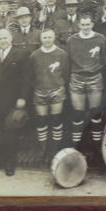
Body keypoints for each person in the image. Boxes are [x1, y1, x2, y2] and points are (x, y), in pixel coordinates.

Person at [0, 29, 31, 177]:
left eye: (5, 38)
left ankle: (9, 164)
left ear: (11, 38)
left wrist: (22, 98)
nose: (2, 41)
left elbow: (27, 79)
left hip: (12, 102)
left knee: (11, 134)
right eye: (0, 38)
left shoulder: (21, 54)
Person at [66, 15, 106, 149]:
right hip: (77, 77)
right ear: (79, 25)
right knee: (78, 113)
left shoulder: (100, 39)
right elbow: (68, 59)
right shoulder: (72, 40)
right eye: (83, 25)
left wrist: (95, 70)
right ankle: (77, 146)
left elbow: (104, 59)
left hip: (94, 77)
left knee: (95, 112)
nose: (85, 27)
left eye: (88, 24)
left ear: (92, 25)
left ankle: (96, 146)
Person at [30, 28, 70, 160]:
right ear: (41, 39)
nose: (47, 40)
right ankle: (43, 149)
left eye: (49, 37)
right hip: (40, 90)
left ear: (54, 38)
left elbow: (65, 73)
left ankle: (54, 148)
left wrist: (58, 84)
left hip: (57, 89)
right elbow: (32, 75)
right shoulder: (35, 55)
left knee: (56, 119)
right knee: (42, 120)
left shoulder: (62, 54)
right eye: (44, 37)